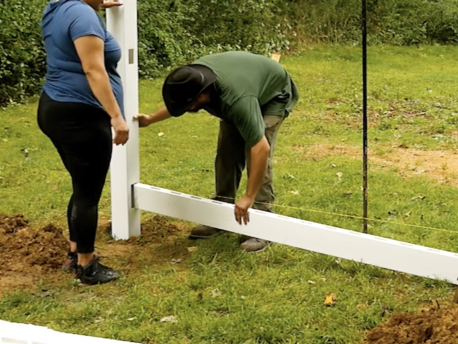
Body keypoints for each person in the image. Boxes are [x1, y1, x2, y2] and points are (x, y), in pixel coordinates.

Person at [136, 51, 299, 253]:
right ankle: (221, 213)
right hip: (242, 87)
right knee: (227, 151)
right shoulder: (193, 77)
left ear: (203, 95)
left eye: (190, 105)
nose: (187, 109)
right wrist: (150, 119)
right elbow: (181, 102)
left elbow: (261, 148)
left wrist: (248, 195)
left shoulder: (237, 100)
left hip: (274, 94)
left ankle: (262, 223)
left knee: (254, 148)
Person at [37, 0, 129, 284]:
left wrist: (96, 5)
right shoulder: (82, 14)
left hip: (56, 107)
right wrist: (116, 116)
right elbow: (94, 70)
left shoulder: (58, 8)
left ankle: (74, 252)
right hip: (81, 114)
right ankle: (86, 266)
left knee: (82, 185)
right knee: (88, 193)